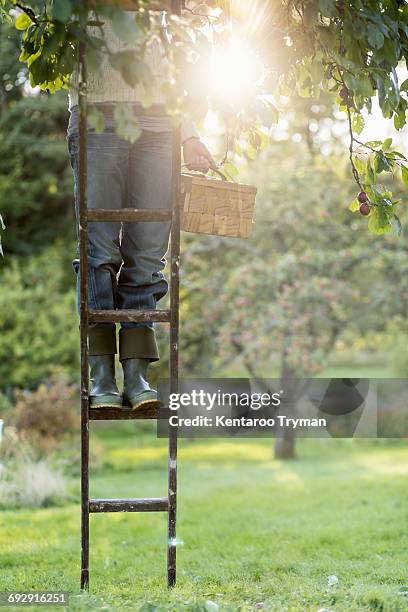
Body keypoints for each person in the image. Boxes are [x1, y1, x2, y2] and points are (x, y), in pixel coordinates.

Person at [67, 8, 215, 410]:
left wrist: (189, 133)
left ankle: (137, 376)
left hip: (161, 119)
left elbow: (177, 56)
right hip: (98, 110)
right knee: (98, 250)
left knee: (148, 252)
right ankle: (101, 377)